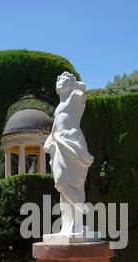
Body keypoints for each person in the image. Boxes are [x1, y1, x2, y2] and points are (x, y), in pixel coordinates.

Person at [44, 72, 94, 235]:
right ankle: (69, 223)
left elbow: (82, 90)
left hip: (72, 143)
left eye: (64, 79)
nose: (59, 81)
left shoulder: (75, 97)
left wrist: (77, 85)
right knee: (60, 183)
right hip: (59, 143)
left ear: (71, 85)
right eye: (58, 79)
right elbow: (56, 126)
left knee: (75, 184)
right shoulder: (59, 107)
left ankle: (76, 225)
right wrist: (50, 139)